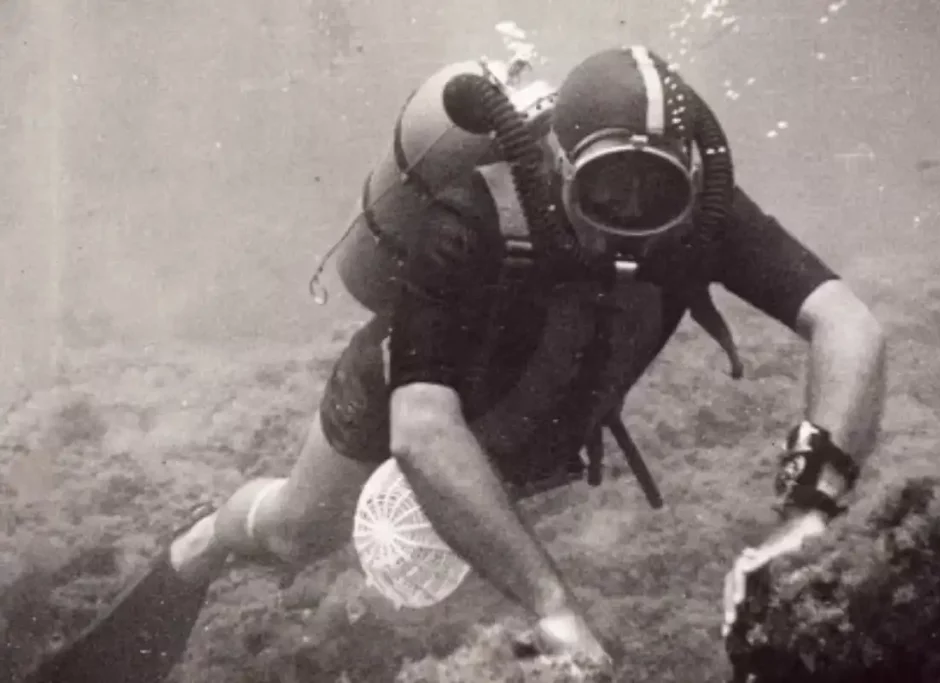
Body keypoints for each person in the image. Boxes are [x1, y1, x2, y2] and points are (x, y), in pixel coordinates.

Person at [26, 45, 886, 682]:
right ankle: (205, 539)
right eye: (604, 191)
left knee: (476, 524)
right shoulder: (471, 214)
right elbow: (423, 431)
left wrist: (814, 508)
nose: (626, 225)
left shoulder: (700, 215)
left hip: (527, 424)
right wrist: (552, 605)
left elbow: (847, 324)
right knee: (298, 530)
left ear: (686, 178)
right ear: (556, 167)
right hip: (406, 394)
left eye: (650, 193)